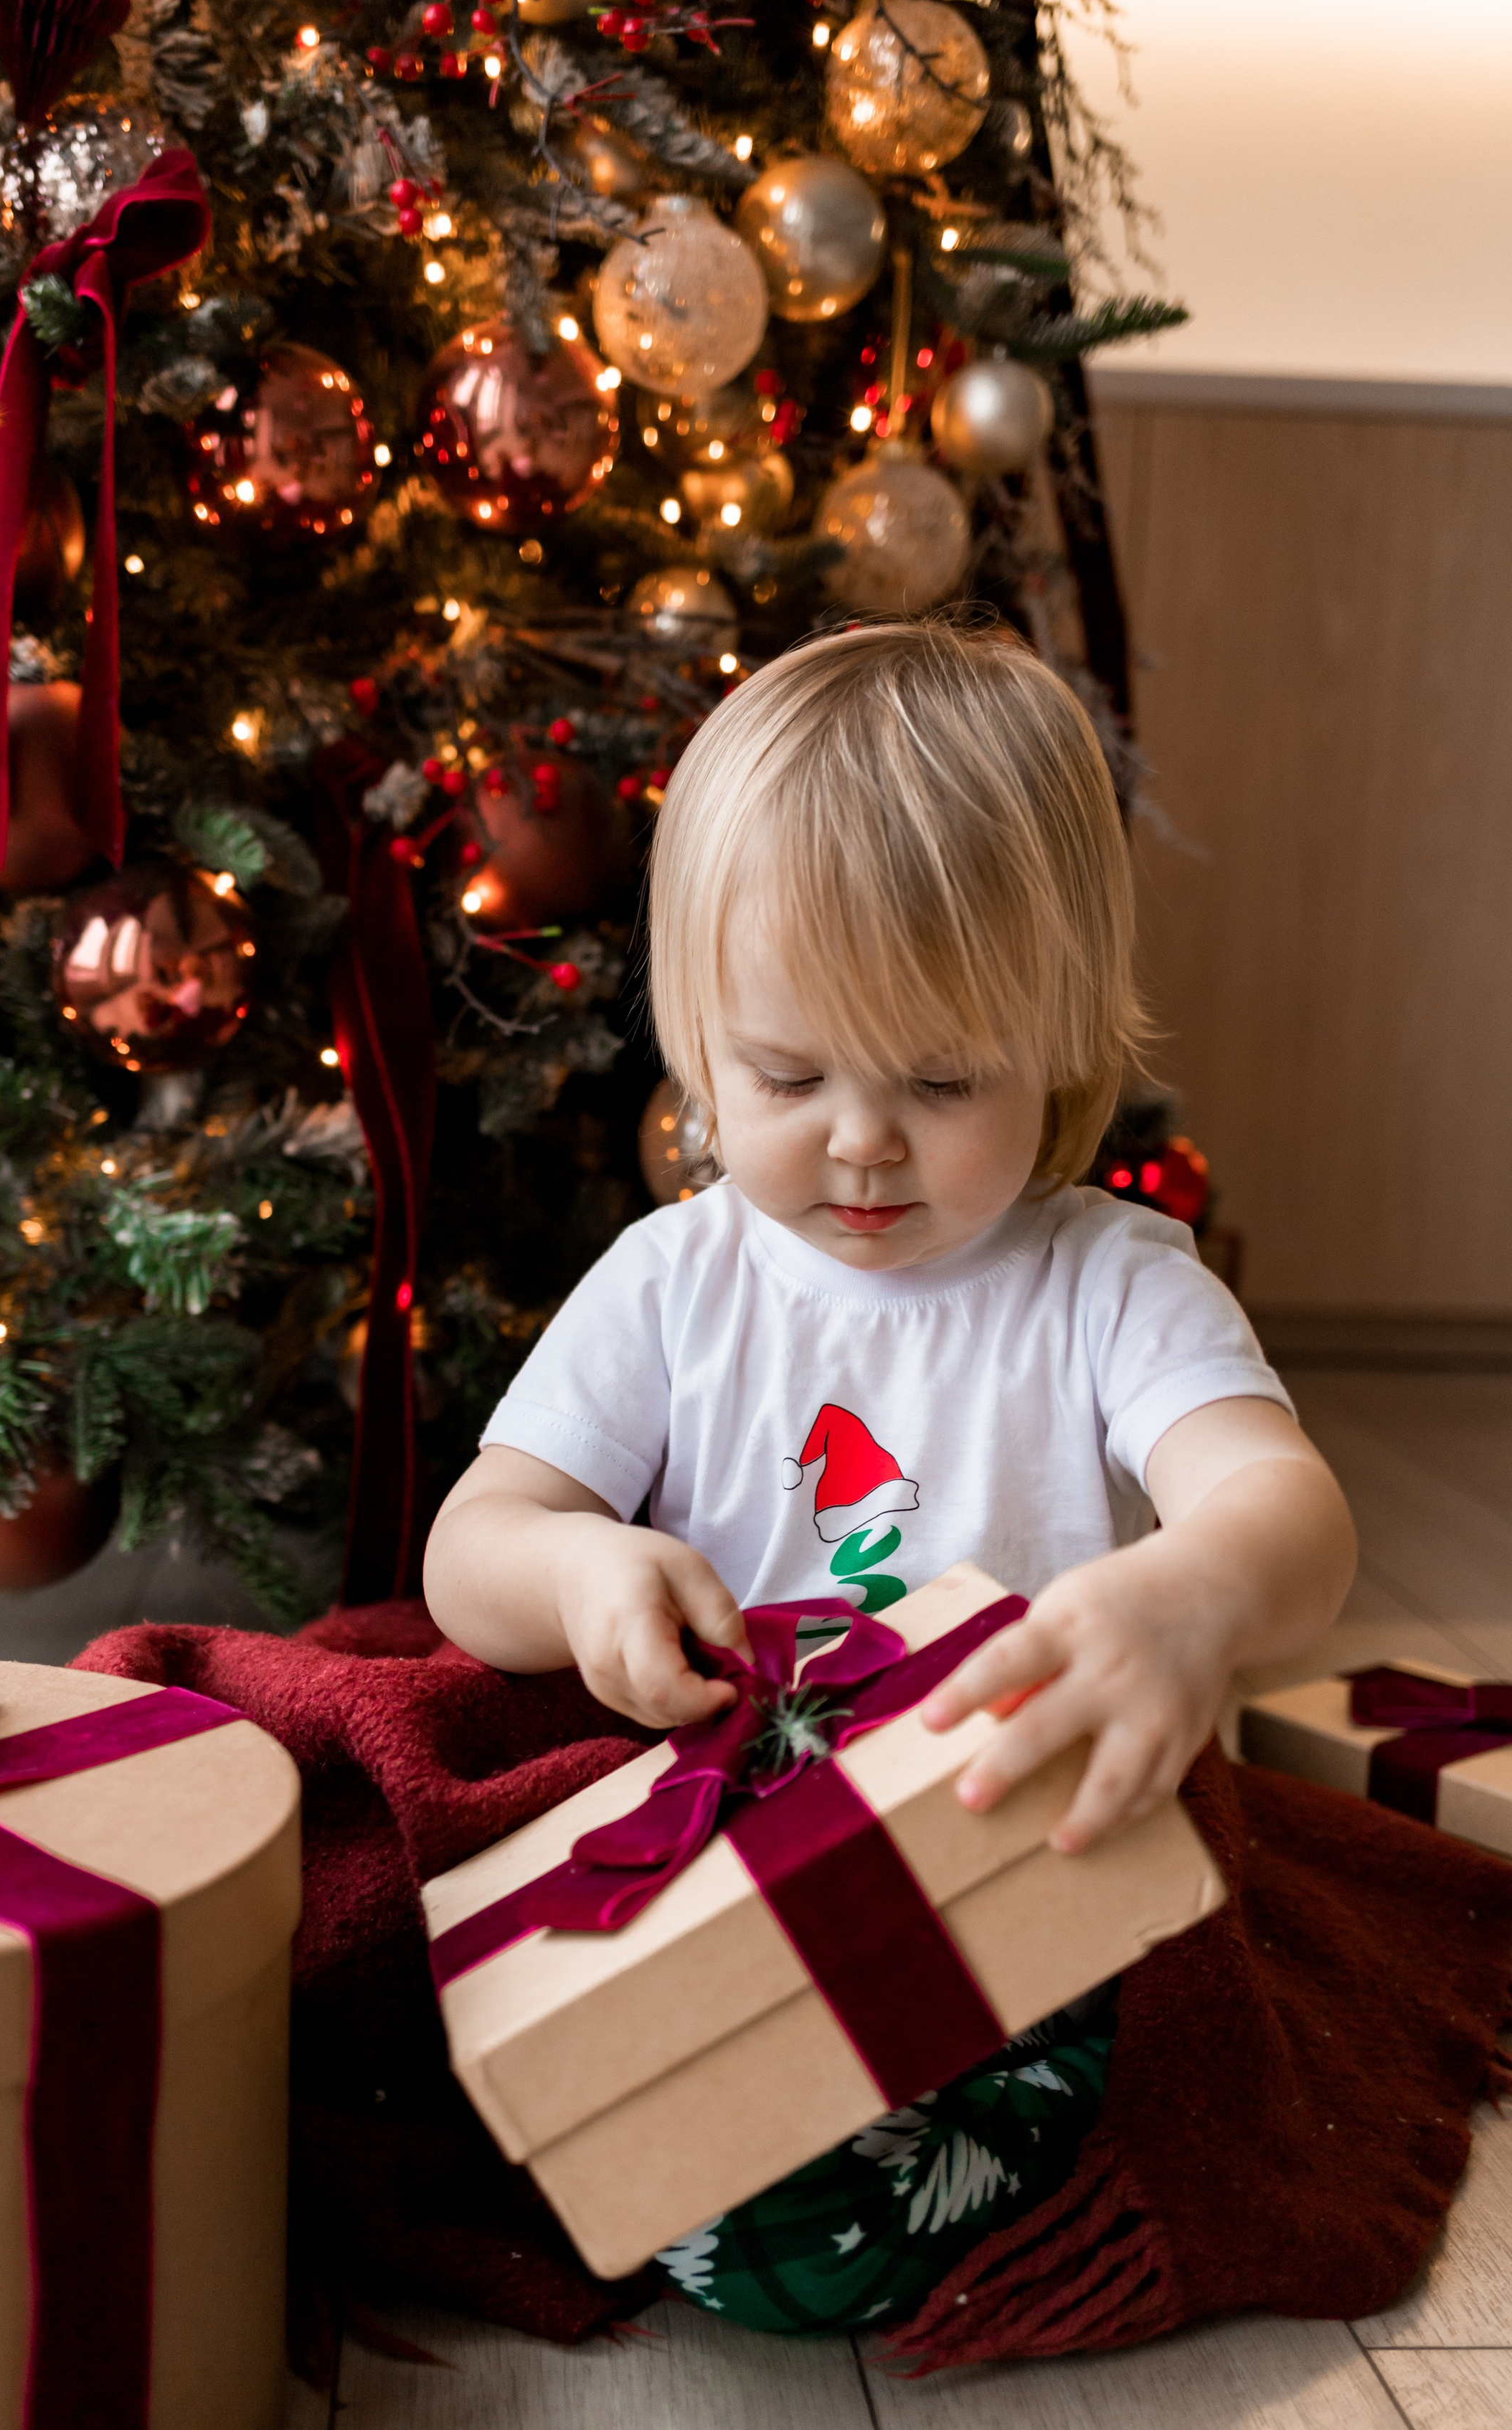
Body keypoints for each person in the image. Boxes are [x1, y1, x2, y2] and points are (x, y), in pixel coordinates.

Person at [422, 620, 1357, 2334]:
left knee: (822, 2217)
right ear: (696, 1039)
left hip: (1017, 1863)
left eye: (939, 1079)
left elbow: (1286, 1515)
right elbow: (471, 1548)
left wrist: (1190, 1592)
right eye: (785, 1075)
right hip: (727, 1852)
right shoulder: (673, 1281)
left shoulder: (1109, 1284)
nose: (858, 1140)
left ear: (1057, 1039)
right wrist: (575, 1571)